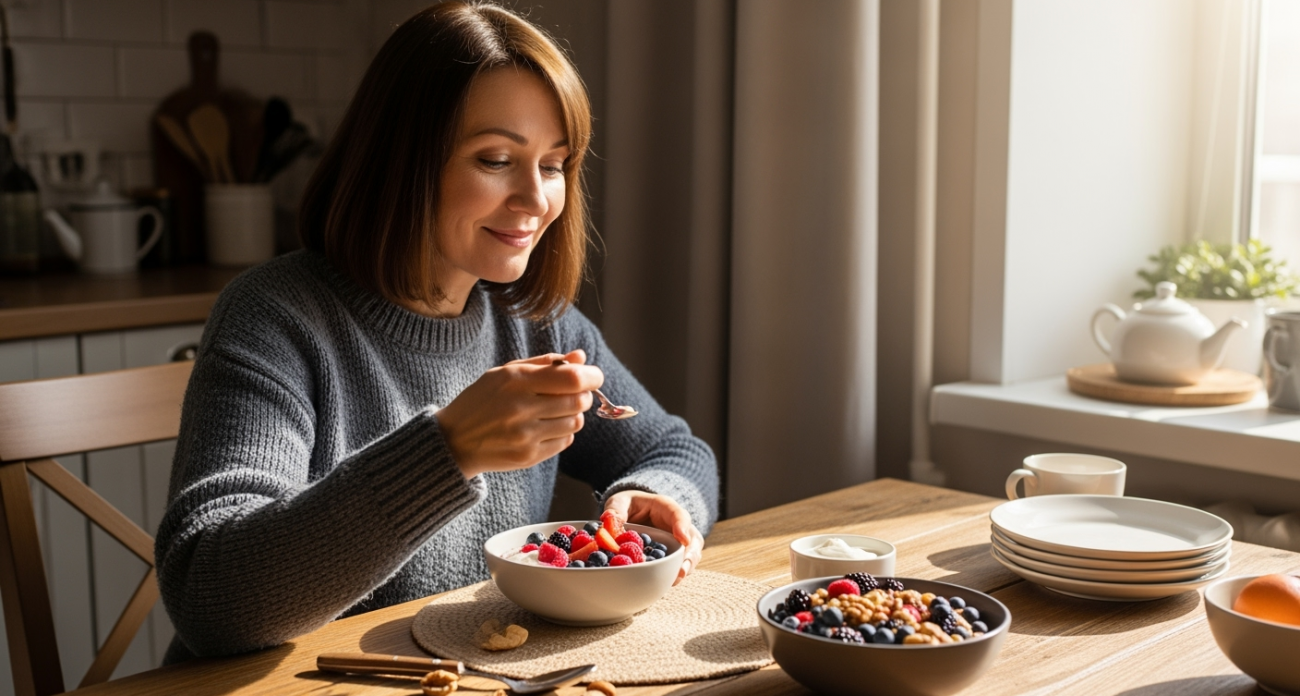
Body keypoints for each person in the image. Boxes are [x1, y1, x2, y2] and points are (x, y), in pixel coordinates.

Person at [155, 1, 718, 661]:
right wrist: (447, 450)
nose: (536, 200)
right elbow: (213, 599)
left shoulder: (534, 322)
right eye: (496, 158)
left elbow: (677, 453)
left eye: (553, 163)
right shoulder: (277, 317)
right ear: (402, 160)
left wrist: (650, 497)